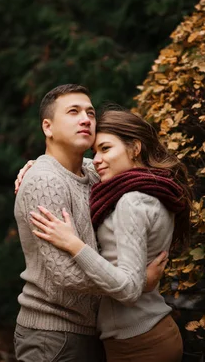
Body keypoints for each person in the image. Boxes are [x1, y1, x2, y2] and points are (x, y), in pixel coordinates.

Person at [13, 84, 167, 362]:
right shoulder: (45, 180)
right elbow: (65, 275)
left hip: (90, 331)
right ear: (47, 127)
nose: (86, 119)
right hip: (53, 334)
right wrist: (136, 282)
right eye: (73, 112)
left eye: (90, 113)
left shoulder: (94, 172)